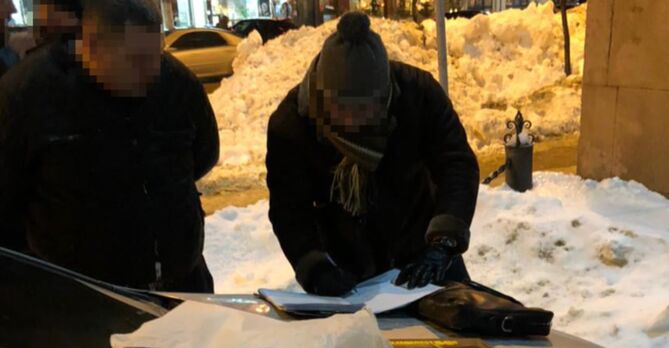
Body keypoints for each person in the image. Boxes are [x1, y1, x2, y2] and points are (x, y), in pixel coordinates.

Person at [0, 0, 220, 292]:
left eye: (158, 55)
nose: (153, 71)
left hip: (183, 283)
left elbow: (204, 154)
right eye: (136, 59)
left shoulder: (176, 83)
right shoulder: (28, 94)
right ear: (91, 48)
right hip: (85, 299)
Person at [266, 12, 479, 297]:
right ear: (322, 95)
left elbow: (456, 165)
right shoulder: (291, 124)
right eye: (342, 109)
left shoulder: (418, 94)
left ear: (385, 94)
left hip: (423, 250)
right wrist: (313, 266)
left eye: (365, 109)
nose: (353, 121)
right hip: (347, 265)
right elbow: (289, 208)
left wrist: (444, 241)